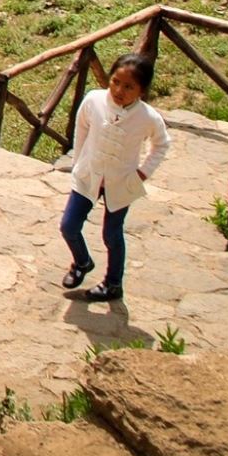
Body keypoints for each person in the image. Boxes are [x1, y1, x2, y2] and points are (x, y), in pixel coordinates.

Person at [60, 53, 171, 303]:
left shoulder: (147, 117)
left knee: (112, 234)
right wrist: (79, 161)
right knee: (69, 226)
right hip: (89, 175)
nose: (119, 90)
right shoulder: (94, 101)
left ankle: (113, 283)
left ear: (142, 90)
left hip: (120, 182)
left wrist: (143, 172)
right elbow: (82, 127)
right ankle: (82, 261)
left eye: (129, 86)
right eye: (115, 82)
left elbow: (161, 144)